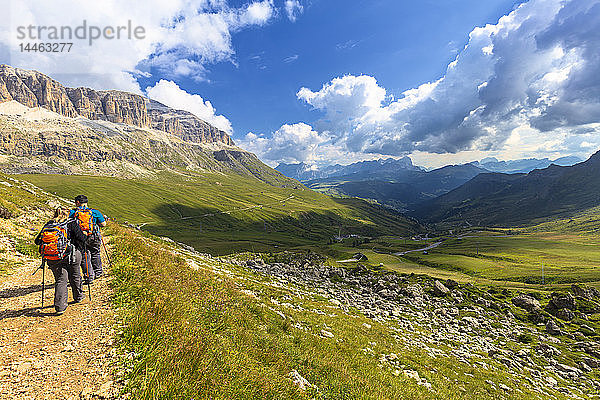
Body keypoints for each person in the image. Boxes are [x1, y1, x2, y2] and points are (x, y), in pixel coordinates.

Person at [35, 207, 87, 315]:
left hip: (53, 257)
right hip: (71, 255)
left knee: (60, 279)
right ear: (68, 214)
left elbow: (37, 241)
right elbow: (82, 238)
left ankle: (60, 307)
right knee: (75, 275)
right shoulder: (71, 223)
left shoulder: (49, 225)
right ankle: (78, 296)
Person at [70, 195, 107, 284]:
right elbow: (103, 224)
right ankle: (98, 272)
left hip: (80, 237)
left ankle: (89, 276)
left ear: (78, 202)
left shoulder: (73, 212)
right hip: (93, 236)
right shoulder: (95, 212)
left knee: (85, 255)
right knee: (95, 253)